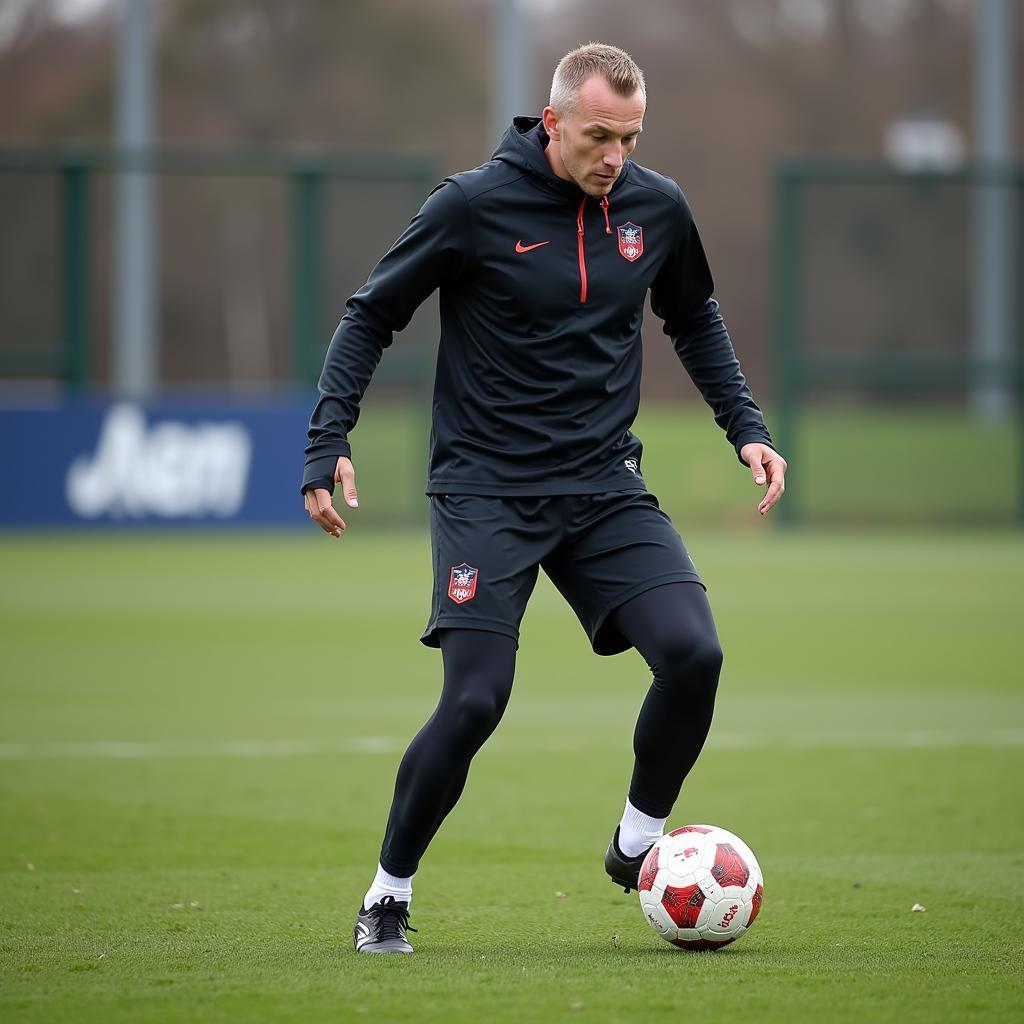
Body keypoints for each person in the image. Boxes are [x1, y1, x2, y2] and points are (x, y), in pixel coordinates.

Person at [302, 43, 786, 955]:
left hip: (604, 485)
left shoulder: (656, 207)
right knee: (477, 699)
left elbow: (695, 317)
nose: (616, 155)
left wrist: (746, 427)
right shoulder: (472, 204)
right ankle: (388, 895)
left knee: (695, 655)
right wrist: (327, 445)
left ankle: (638, 841)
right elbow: (370, 313)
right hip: (487, 489)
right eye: (599, 136)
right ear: (554, 121)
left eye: (631, 138)